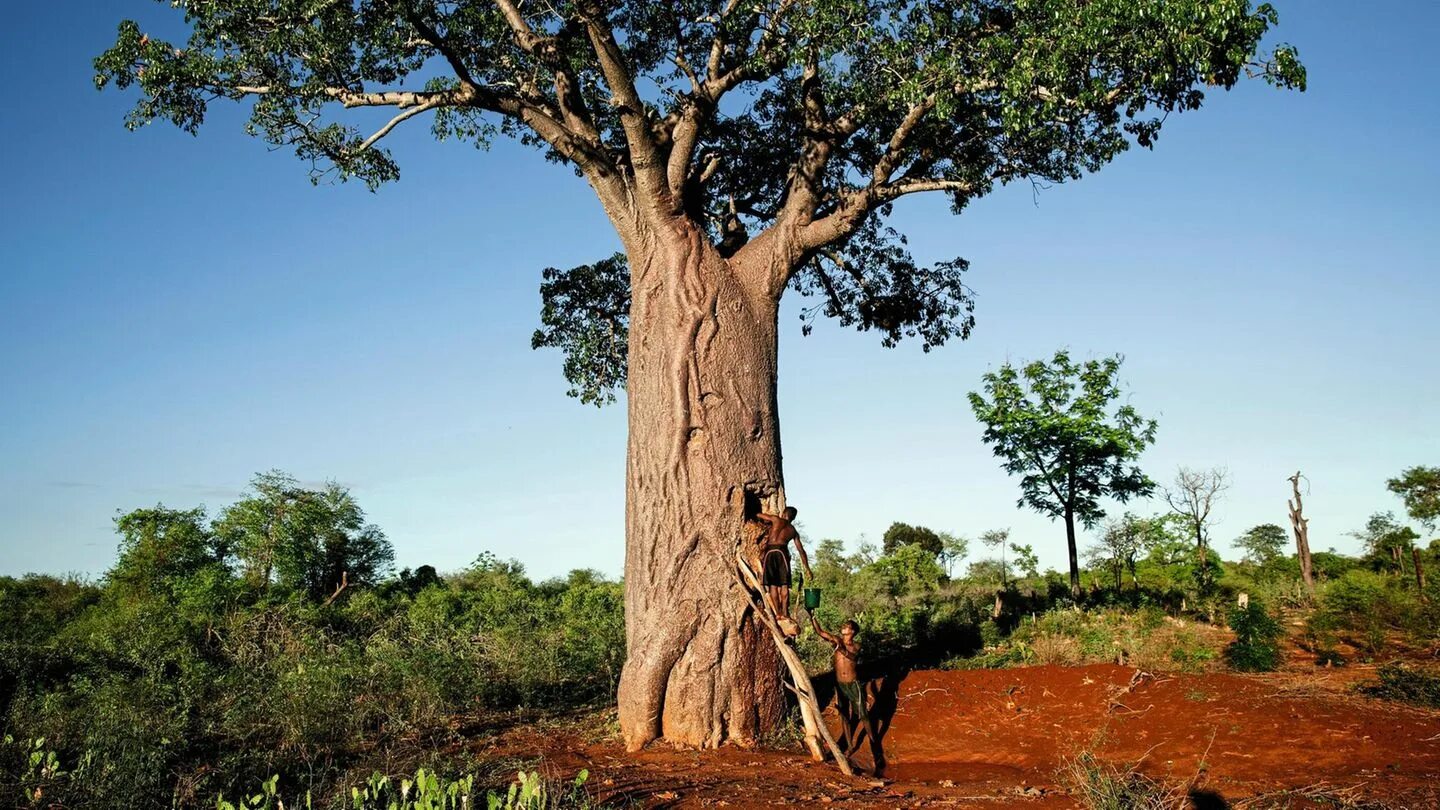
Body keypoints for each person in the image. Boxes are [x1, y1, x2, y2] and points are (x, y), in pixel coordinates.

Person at [810, 614, 885, 777]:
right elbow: (821, 632)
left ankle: (875, 746)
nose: (844, 628)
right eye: (843, 626)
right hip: (840, 684)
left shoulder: (856, 645)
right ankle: (850, 746)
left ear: (853, 631)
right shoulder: (836, 640)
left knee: (863, 715)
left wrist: (841, 648)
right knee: (844, 714)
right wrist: (812, 616)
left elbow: (852, 657)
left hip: (853, 684)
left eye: (847, 626)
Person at [753, 506, 810, 635]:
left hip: (770, 552)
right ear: (793, 518)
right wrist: (807, 568)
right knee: (784, 585)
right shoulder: (793, 530)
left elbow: (758, 515)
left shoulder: (775, 519)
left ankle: (777, 613)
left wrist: (759, 515)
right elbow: (801, 551)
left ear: (784, 513)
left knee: (773, 584)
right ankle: (784, 613)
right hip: (782, 552)